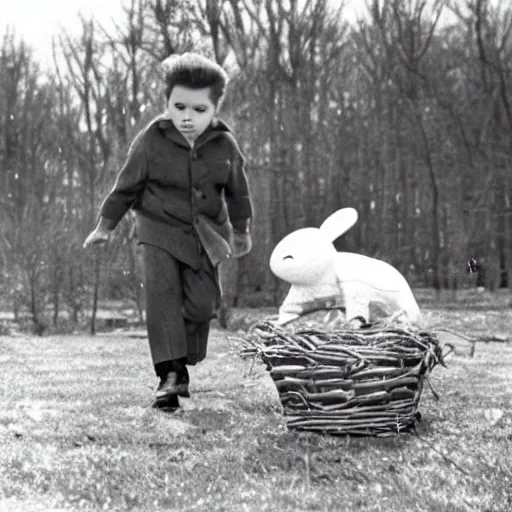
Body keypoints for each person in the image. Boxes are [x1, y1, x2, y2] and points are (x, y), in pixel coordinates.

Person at [83, 52, 253, 410]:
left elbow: (238, 191)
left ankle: (182, 363)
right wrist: (105, 226)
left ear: (214, 108)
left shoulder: (226, 145)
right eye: (179, 107)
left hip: (206, 235)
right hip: (157, 228)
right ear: (167, 104)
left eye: (198, 109)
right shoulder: (152, 139)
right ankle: (170, 376)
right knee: (162, 300)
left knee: (203, 305)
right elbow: (126, 186)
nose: (187, 118)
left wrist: (241, 230)